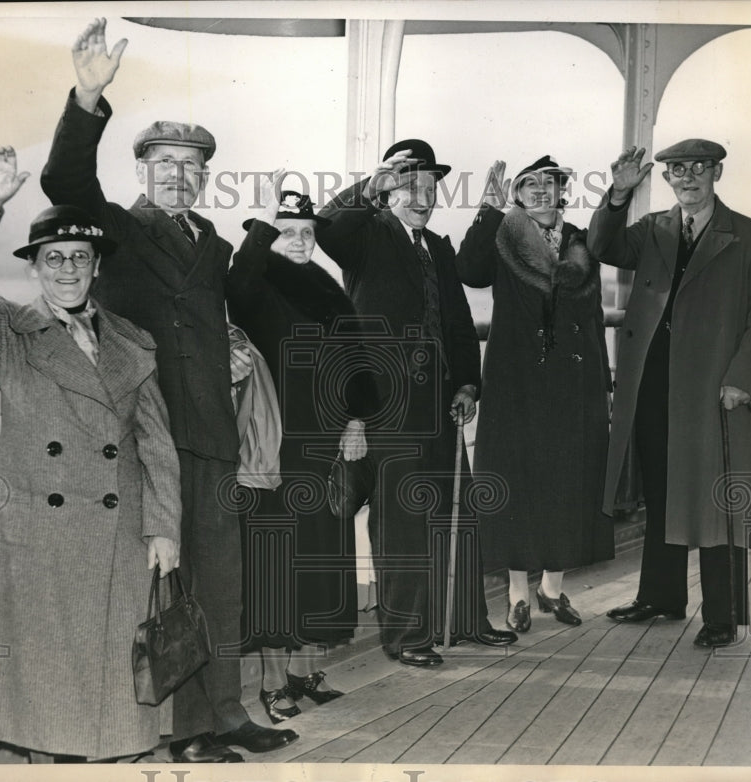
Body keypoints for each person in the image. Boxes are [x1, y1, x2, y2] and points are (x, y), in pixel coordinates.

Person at [40, 19, 295, 761]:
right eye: (165, 164)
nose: (178, 176)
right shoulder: (116, 229)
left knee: (222, 583)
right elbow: (66, 182)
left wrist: (235, 349)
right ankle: (184, 734)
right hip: (150, 435)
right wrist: (87, 96)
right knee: (169, 587)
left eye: (191, 166)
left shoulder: (211, 242)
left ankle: (227, 714)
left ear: (203, 176)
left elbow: (213, 316)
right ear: (144, 172)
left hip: (212, 432)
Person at [0, 148, 181, 762]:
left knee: (114, 694)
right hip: (36, 536)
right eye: (53, 258)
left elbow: (156, 445)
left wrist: (165, 528)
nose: (67, 269)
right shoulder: (8, 334)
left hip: (120, 536)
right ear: (35, 269)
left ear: (96, 267)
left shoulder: (133, 342)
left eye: (79, 258)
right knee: (45, 699)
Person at [317, 139, 517, 668]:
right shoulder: (365, 238)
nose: (424, 195)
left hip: (440, 407)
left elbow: (456, 323)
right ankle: (406, 637)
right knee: (402, 521)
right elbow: (326, 227)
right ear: (387, 191)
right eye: (411, 184)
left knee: (458, 515)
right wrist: (371, 185)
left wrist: (468, 384)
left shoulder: (437, 248)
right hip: (386, 407)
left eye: (430, 185)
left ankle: (466, 622)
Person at [589, 140, 751, 648]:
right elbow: (602, 248)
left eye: (698, 168)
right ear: (668, 177)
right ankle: (662, 597)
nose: (687, 177)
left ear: (716, 172)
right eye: (677, 169)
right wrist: (617, 195)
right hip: (653, 380)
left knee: (719, 497)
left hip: (714, 386)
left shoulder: (750, 237)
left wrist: (742, 379)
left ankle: (723, 612)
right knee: (661, 487)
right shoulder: (653, 228)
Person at [227, 174, 379, 721]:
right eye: (285, 231)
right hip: (272, 452)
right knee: (274, 571)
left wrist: (358, 420)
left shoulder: (328, 288)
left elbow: (360, 360)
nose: (296, 240)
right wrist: (263, 224)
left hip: (328, 446)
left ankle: (303, 673)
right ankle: (271, 685)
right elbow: (236, 284)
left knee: (319, 563)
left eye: (305, 232)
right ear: (268, 235)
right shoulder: (253, 285)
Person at [455, 156, 615, 632]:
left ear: (562, 190)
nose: (541, 191)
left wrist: (601, 382)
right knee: (515, 480)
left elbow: (592, 315)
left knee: (566, 479)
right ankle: (518, 594)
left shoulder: (582, 241)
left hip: (574, 381)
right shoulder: (504, 237)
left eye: (550, 183)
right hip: (516, 382)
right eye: (530, 185)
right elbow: (469, 270)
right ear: (517, 195)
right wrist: (487, 209)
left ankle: (552, 588)